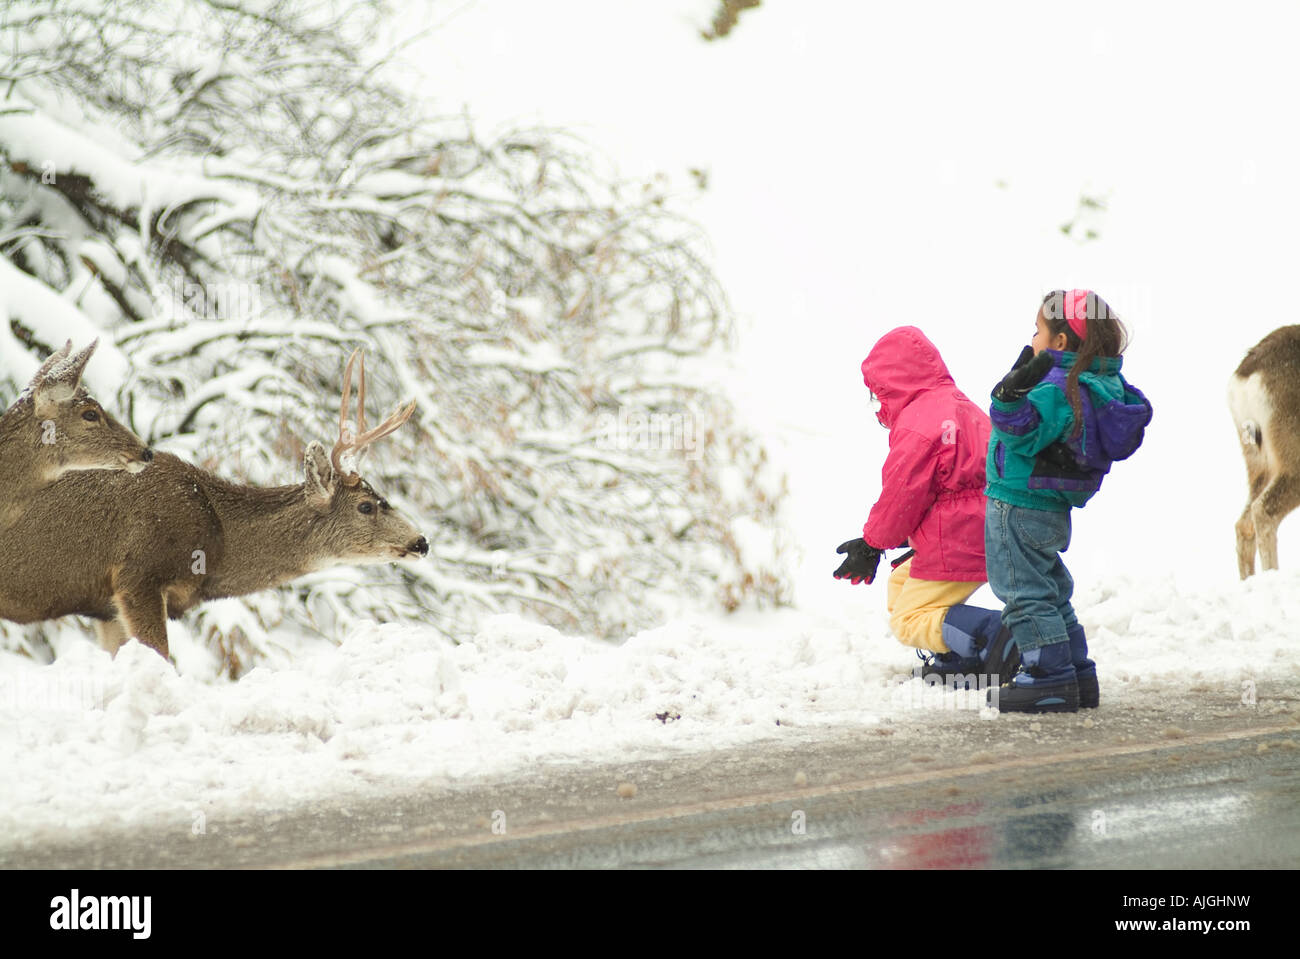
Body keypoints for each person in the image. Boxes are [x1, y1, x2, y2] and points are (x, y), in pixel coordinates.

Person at [985, 289, 1152, 712]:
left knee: (1023, 592)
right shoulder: (1099, 383)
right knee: (1052, 591)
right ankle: (1076, 672)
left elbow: (1022, 432)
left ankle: (1047, 678)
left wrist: (1006, 398)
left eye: (1038, 330)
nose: (1034, 339)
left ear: (1060, 342)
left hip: (1018, 502)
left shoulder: (1058, 387)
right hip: (1051, 506)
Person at [833, 326, 1013, 684]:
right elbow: (951, 484)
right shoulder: (962, 406)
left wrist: (873, 543)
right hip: (990, 524)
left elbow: (903, 492)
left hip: (960, 536)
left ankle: (994, 635)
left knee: (907, 619)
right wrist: (914, 536)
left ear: (892, 384)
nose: (878, 404)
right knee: (902, 582)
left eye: (877, 393)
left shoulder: (920, 422)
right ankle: (962, 657)